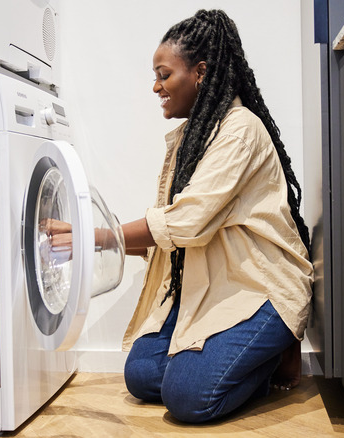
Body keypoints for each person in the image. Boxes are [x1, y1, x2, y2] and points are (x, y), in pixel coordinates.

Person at [120, 9, 313, 423]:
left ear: (201, 72)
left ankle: (273, 351)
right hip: (212, 287)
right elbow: (172, 225)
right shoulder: (190, 136)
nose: (156, 86)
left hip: (260, 288)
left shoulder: (240, 129)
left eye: (164, 74)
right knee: (140, 375)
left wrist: (97, 238)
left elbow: (185, 223)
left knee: (187, 397)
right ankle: (224, 360)